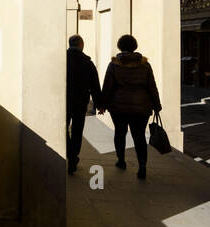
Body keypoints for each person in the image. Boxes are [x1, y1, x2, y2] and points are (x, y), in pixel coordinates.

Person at [101, 34, 161, 180]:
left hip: (119, 107)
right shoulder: (145, 65)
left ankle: (121, 160)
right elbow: (151, 86)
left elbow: (108, 86)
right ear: (135, 46)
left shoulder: (114, 64)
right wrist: (157, 104)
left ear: (120, 46)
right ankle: (142, 166)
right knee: (139, 136)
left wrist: (102, 104)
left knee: (120, 133)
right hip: (141, 107)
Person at [65, 34, 101, 174]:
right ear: (81, 45)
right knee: (77, 130)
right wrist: (99, 103)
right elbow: (95, 85)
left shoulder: (62, 59)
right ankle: (73, 155)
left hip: (65, 101)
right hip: (80, 102)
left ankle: (69, 152)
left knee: (63, 128)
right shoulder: (87, 63)